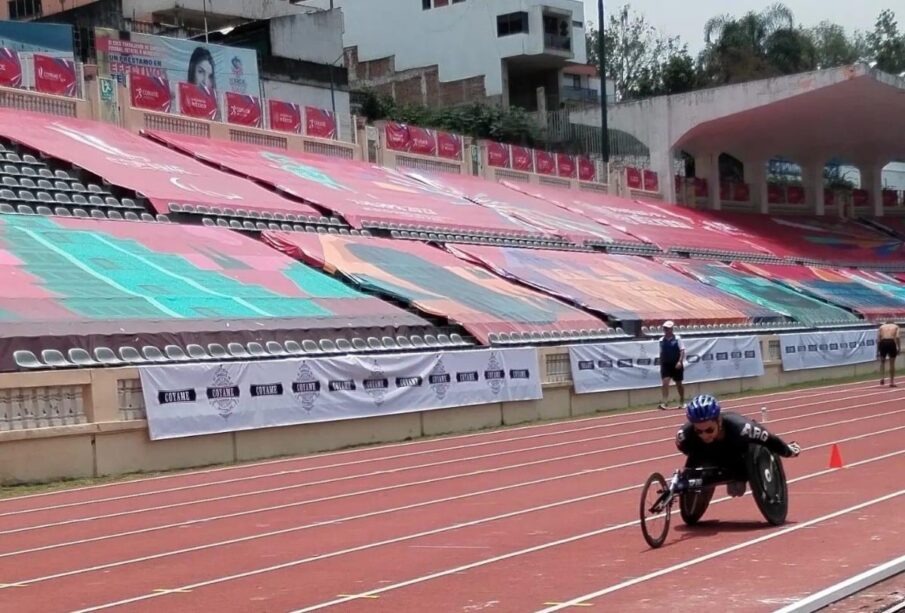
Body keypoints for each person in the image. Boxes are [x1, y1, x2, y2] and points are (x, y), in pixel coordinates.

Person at [675, 394, 801, 497]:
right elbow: (689, 453)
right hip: (708, 455)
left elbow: (769, 439)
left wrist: (788, 451)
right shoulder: (684, 436)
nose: (704, 435)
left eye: (709, 430)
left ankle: (738, 475)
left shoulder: (742, 428)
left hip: (737, 456)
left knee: (736, 489)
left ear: (719, 422)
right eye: (699, 431)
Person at [658, 321, 685, 410]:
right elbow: (661, 352)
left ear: (671, 329)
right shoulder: (661, 340)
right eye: (665, 328)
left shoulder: (677, 339)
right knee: (665, 383)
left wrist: (680, 361)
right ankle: (665, 402)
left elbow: (682, 350)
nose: (666, 330)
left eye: (668, 328)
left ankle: (682, 400)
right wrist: (661, 362)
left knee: (679, 384)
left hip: (676, 364)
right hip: (666, 364)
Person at [877, 320, 900, 387]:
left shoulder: (881, 327)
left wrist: (878, 350)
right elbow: (897, 337)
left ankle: (882, 377)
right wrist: (898, 347)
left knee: (882, 361)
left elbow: (878, 339)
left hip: (883, 342)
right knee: (892, 363)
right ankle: (891, 382)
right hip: (891, 342)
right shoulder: (896, 326)